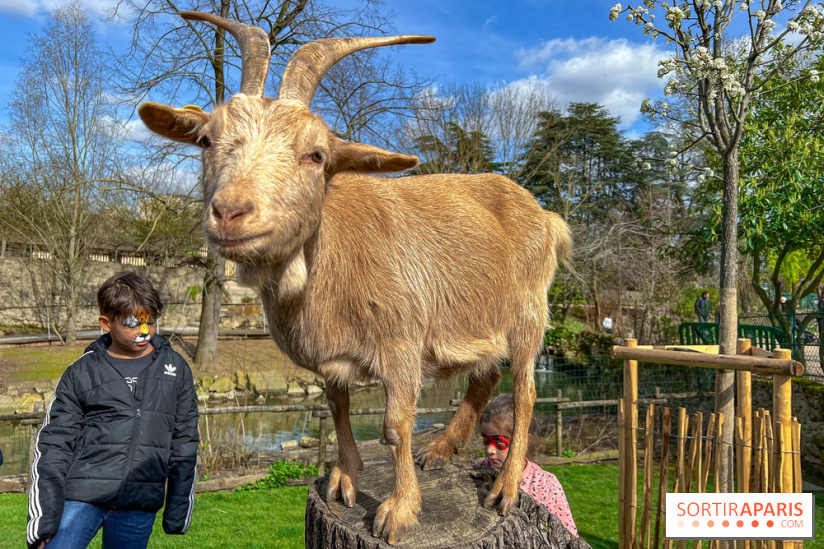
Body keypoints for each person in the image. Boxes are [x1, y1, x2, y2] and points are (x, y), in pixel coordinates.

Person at [27, 272, 199, 549]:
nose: (144, 331)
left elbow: (185, 442)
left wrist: (178, 510)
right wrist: (44, 519)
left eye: (150, 321)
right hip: (82, 498)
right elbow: (53, 444)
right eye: (132, 323)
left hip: (139, 503)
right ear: (106, 323)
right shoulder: (81, 372)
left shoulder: (176, 369)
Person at [474, 394, 578, 536]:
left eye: (499, 443)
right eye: (486, 441)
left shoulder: (546, 484)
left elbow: (568, 534)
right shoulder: (476, 474)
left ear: (523, 441)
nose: (490, 450)